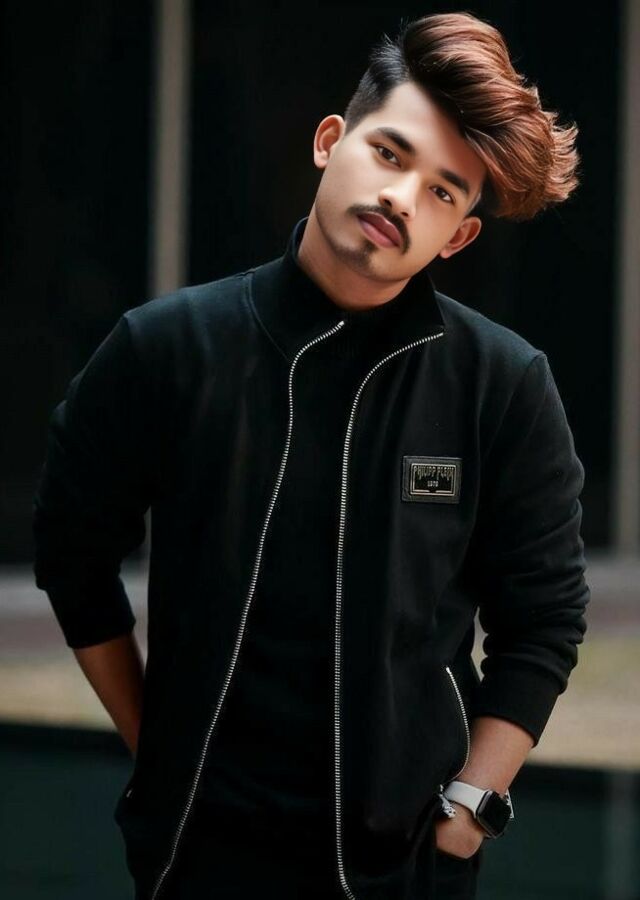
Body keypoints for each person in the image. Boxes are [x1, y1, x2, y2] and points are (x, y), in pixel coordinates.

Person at [32, 10, 590, 900]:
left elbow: (545, 622)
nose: (401, 198)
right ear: (332, 141)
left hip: (406, 868)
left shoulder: (503, 384)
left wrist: (466, 811)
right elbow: (72, 550)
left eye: (444, 193)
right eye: (390, 154)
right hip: (197, 860)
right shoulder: (166, 348)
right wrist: (157, 749)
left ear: (458, 236)